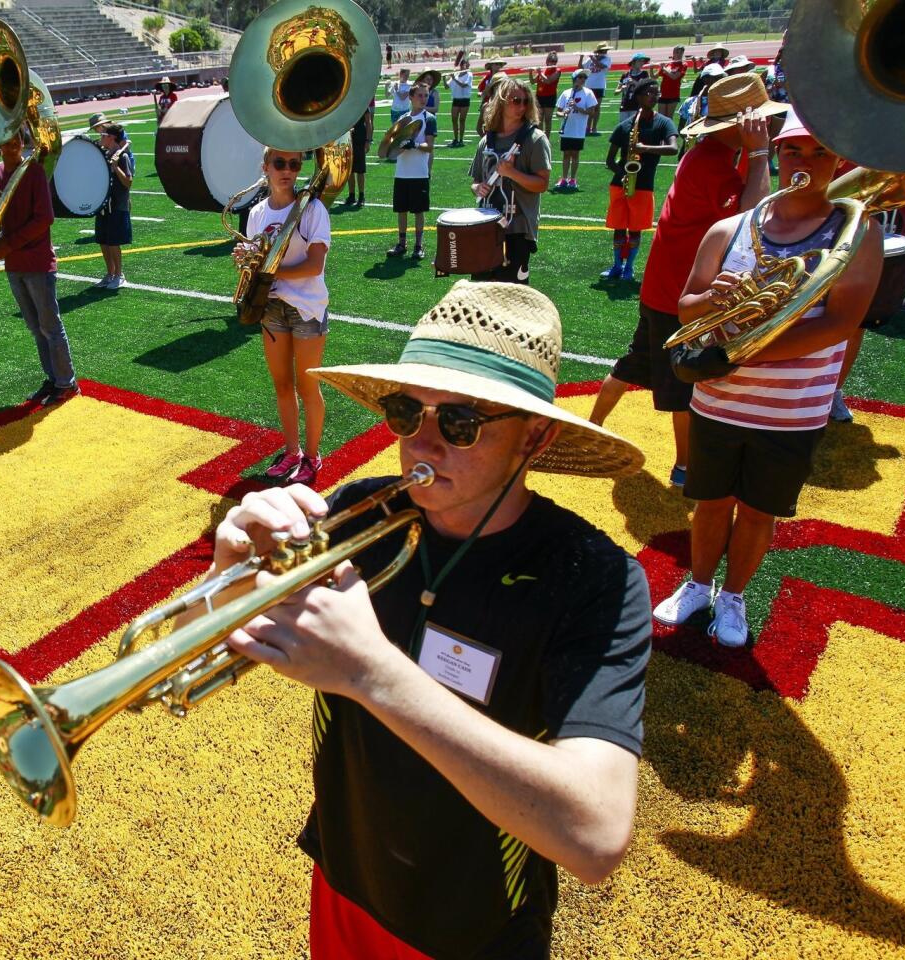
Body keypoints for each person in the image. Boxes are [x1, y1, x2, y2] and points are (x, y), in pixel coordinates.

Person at [180, 279, 648, 958]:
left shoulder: (593, 578)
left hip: (476, 925)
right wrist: (225, 580)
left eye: (460, 422)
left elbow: (596, 834)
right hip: (343, 877)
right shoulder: (361, 513)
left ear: (536, 436)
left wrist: (372, 673)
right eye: (406, 413)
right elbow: (196, 655)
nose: (423, 445)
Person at [654, 110, 882, 649]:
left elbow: (841, 322)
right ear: (777, 157)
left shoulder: (856, 234)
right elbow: (687, 306)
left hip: (792, 408)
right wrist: (714, 301)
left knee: (758, 511)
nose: (805, 163)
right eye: (793, 152)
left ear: (838, 161)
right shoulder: (729, 228)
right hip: (718, 400)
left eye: (819, 153)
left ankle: (732, 596)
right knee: (709, 503)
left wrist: (746, 350)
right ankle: (698, 584)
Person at [589, 74, 785, 487]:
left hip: (666, 286)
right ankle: (684, 467)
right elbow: (753, 217)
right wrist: (760, 154)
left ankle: (593, 427)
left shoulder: (707, 155)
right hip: (680, 292)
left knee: (634, 363)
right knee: (685, 379)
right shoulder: (713, 161)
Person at [235, 146, 332, 487]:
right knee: (282, 385)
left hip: (306, 308)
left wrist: (268, 271)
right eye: (279, 163)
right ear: (265, 167)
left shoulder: (312, 209)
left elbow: (314, 265)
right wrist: (247, 258)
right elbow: (257, 255)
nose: (287, 170)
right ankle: (291, 452)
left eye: (294, 163)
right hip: (272, 307)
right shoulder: (258, 212)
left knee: (308, 387)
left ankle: (312, 455)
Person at [0, 128, 79, 406]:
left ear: (22, 142)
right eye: (6, 139)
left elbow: (44, 219)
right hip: (14, 263)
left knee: (50, 325)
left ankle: (67, 382)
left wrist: (8, 244)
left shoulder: (34, 171)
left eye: (16, 140)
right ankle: (52, 378)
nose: (11, 145)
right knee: (36, 327)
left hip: (36, 262)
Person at [470, 78, 552, 284]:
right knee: (480, 292)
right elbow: (476, 181)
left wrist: (511, 173)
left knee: (513, 296)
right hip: (486, 226)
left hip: (517, 228)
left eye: (526, 101)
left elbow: (542, 184)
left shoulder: (536, 139)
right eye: (516, 100)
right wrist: (478, 188)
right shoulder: (487, 140)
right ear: (502, 102)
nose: (522, 106)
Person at [601, 80, 677, 281]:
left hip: (643, 185)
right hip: (621, 184)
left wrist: (645, 149)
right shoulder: (624, 126)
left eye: (657, 93)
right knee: (618, 227)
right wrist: (623, 173)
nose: (655, 96)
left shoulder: (664, 122)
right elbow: (609, 160)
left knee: (635, 229)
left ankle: (629, 268)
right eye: (650, 92)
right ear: (639, 96)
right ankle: (617, 265)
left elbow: (673, 148)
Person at [389, 83, 436, 261]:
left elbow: (430, 146)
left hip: (419, 172)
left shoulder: (429, 118)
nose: (423, 99)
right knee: (401, 210)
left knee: (418, 211)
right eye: (420, 96)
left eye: (426, 96)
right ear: (411, 97)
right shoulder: (403, 119)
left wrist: (415, 145)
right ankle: (402, 244)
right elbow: (392, 145)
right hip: (402, 172)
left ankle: (418, 245)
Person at [94, 123, 134, 289]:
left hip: (117, 205)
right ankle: (110, 274)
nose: (101, 138)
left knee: (113, 242)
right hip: (103, 205)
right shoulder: (104, 154)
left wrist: (115, 167)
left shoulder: (122, 157)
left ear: (111, 138)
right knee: (103, 242)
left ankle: (119, 274)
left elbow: (128, 182)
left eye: (104, 135)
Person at [554, 69, 597, 189]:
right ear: (574, 79)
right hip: (567, 128)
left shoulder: (588, 93)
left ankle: (573, 179)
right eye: (580, 77)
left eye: (584, 78)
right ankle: (563, 178)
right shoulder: (566, 93)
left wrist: (577, 108)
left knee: (575, 154)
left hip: (578, 129)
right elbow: (558, 112)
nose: (583, 80)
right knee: (566, 154)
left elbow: (591, 112)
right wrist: (564, 114)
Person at [344, 99, 372, 207]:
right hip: (348, 138)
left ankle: (361, 196)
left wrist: (368, 140)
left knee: (360, 170)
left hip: (360, 138)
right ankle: (351, 195)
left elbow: (368, 122)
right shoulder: (344, 104)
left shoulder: (362, 103)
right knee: (349, 170)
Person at [614, 53, 652, 125]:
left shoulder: (644, 74)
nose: (642, 63)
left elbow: (646, 88)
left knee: (635, 129)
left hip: (637, 105)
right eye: (640, 61)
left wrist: (634, 82)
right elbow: (616, 92)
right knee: (624, 128)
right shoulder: (625, 75)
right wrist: (622, 89)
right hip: (625, 106)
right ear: (634, 62)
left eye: (643, 61)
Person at [583, 43, 612, 136]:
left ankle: (594, 127)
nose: (605, 52)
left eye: (606, 51)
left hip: (599, 86)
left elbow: (601, 66)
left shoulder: (607, 59)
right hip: (589, 86)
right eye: (603, 51)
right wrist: (581, 57)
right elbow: (581, 67)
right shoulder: (590, 59)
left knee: (597, 107)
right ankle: (587, 127)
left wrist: (593, 58)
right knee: (589, 107)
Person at [447, 57, 473, 147]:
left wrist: (454, 78)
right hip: (456, 100)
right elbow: (447, 86)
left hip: (465, 100)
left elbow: (463, 85)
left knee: (462, 120)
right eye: (462, 64)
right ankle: (455, 139)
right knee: (454, 120)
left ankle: (461, 140)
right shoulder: (456, 74)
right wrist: (444, 78)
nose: (463, 66)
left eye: (465, 64)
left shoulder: (469, 74)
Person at [657, 46, 689, 119]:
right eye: (677, 52)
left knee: (668, 118)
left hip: (673, 94)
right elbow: (655, 76)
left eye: (681, 53)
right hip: (663, 93)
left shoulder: (683, 65)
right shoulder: (668, 64)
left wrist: (664, 68)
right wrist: (652, 68)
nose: (679, 54)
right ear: (673, 53)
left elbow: (674, 77)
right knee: (660, 118)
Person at [534, 53, 560, 126]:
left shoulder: (557, 71)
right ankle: (541, 137)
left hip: (550, 97)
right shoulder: (543, 70)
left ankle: (547, 137)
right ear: (547, 61)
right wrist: (530, 72)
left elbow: (548, 81)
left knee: (548, 120)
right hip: (539, 97)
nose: (553, 63)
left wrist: (539, 73)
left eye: (554, 62)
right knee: (539, 119)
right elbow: (533, 81)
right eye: (551, 61)